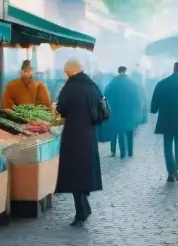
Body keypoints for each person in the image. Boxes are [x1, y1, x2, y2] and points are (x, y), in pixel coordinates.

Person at [54, 59, 104, 225]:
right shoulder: (93, 86)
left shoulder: (71, 86)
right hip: (89, 135)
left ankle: (81, 211)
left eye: (66, 72)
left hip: (74, 135)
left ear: (72, 71)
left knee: (75, 174)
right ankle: (83, 208)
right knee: (84, 172)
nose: (65, 74)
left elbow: (61, 108)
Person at [104, 66, 143, 158]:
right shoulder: (132, 83)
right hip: (130, 111)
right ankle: (130, 152)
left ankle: (118, 152)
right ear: (126, 71)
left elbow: (107, 96)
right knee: (130, 131)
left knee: (117, 131)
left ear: (118, 72)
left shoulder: (113, 82)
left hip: (117, 111)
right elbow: (138, 98)